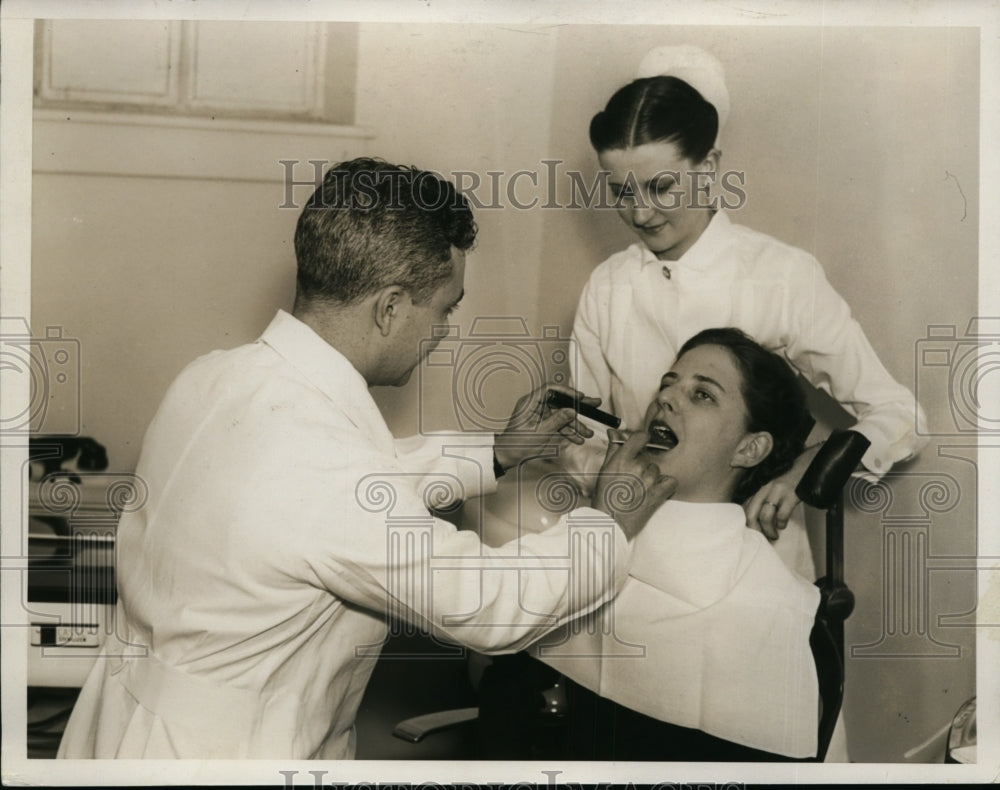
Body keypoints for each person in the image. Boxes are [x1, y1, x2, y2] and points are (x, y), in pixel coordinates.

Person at [56, 158, 677, 760]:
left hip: (125, 724)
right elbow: (484, 602)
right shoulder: (321, 464)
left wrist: (497, 451)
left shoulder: (216, 377)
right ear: (389, 306)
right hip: (223, 754)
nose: (445, 331)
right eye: (446, 308)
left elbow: (327, 494)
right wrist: (608, 524)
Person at [567, 45, 928, 575]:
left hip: (752, 558)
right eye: (621, 191)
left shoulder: (779, 274)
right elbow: (583, 437)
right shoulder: (608, 286)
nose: (640, 212)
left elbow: (901, 417)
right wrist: (612, 475)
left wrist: (802, 473)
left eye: (661, 186)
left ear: (709, 165)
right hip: (633, 553)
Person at [530, 327, 825, 760]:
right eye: (668, 384)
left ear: (749, 448)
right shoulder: (581, 539)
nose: (665, 399)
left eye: (702, 395)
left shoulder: (770, 603)